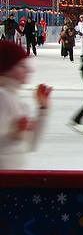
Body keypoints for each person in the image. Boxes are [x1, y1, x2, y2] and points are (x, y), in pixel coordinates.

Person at [0, 41, 52, 169]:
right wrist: (14, 135)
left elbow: (30, 144)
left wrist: (43, 109)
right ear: (6, 68)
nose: (29, 70)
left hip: (13, 181)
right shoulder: (2, 97)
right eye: (21, 65)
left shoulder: (17, 101)